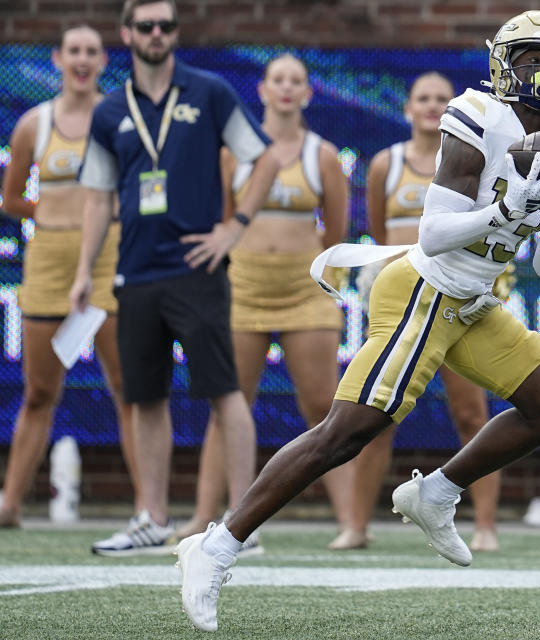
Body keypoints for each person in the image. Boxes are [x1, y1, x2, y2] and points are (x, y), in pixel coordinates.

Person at [176, 10, 540, 632]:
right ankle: (216, 545)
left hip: (472, 301)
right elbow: (433, 235)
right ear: (503, 65)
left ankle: (436, 492)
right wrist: (505, 208)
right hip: (423, 290)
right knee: (345, 433)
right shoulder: (478, 115)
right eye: (530, 60)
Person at [69, 0, 280, 556]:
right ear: (127, 34)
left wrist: (232, 228)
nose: (156, 33)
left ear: (175, 34)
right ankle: (152, 518)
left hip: (197, 267)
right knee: (144, 397)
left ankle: (243, 521)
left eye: (165, 25)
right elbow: (96, 199)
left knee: (225, 390)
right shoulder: (110, 109)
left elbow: (265, 160)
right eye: (146, 25)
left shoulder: (208, 92)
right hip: (136, 270)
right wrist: (84, 270)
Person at [172, 53, 349, 548]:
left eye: (297, 80)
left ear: (308, 94)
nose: (287, 88)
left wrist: (324, 284)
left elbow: (335, 236)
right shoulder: (234, 154)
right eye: (278, 80)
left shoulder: (324, 155)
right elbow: (225, 224)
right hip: (244, 288)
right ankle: (206, 517)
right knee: (228, 403)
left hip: (304, 292)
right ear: (263, 91)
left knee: (326, 407)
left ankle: (351, 523)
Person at [331, 71, 504, 553]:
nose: (431, 106)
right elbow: (382, 234)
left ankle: (485, 524)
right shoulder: (386, 163)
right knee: (375, 414)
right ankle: (356, 526)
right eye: (422, 98)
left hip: (457, 297)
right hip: (404, 299)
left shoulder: (479, 159)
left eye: (440, 99)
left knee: (471, 413)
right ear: (408, 108)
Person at [0, 25, 139, 528]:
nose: (82, 60)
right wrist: (54, 209)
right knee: (39, 391)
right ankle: (10, 503)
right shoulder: (33, 124)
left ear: (104, 61)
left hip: (109, 257)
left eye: (91, 52)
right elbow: (11, 199)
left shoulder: (120, 119)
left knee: (127, 386)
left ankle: (149, 510)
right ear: (58, 59)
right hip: (49, 260)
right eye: (73, 51)